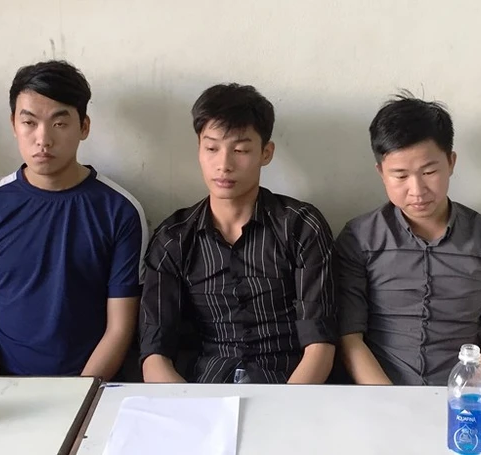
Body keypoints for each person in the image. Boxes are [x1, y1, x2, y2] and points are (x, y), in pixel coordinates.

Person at [0, 60, 147, 377]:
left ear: (84, 127)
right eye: (29, 122)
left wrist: (80, 395)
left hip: (90, 387)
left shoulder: (120, 210)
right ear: (14, 125)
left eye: (59, 123)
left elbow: (119, 328)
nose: (43, 139)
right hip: (4, 385)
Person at [139, 83, 337, 384]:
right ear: (199, 149)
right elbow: (155, 352)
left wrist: (285, 405)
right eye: (212, 148)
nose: (224, 165)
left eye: (241, 150)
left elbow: (319, 344)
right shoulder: (174, 238)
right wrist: (189, 406)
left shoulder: (300, 226)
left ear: (266, 153)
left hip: (288, 386)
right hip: (205, 390)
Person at [336, 93, 481, 386]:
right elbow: (350, 337)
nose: (417, 190)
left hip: (466, 394)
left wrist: (468, 397)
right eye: (400, 176)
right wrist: (390, 400)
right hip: (379, 393)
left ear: (451, 162)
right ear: (381, 173)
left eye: (429, 171)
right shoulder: (359, 239)